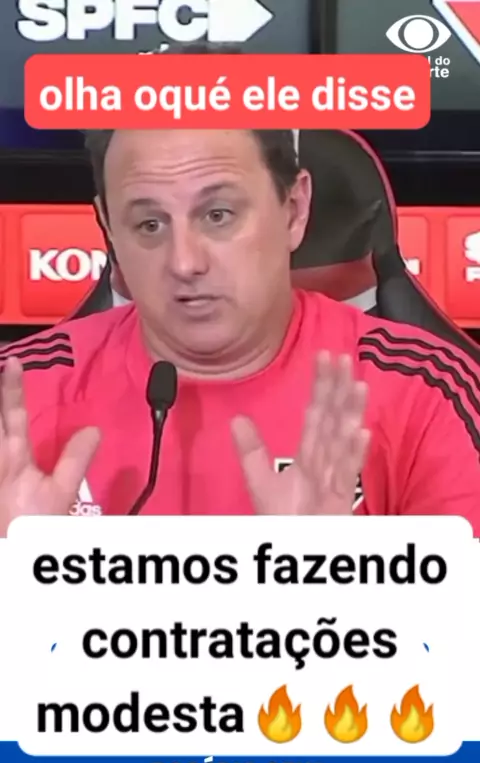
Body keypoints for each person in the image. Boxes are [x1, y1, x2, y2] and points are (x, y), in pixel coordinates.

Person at [0, 125, 479, 535]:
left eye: (218, 215)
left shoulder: (428, 392)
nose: (184, 262)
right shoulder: (17, 399)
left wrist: (331, 571)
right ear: (108, 227)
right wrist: (20, 573)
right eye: (149, 224)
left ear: (294, 209)